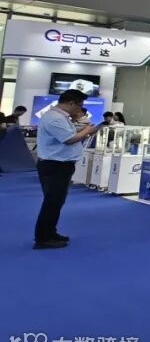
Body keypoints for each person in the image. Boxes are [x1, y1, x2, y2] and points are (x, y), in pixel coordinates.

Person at [33, 90, 97, 250]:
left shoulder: (60, 117)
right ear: (71, 103)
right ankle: (43, 238)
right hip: (55, 165)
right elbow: (69, 139)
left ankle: (50, 232)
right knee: (52, 202)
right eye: (79, 106)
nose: (80, 110)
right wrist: (87, 131)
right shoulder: (55, 118)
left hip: (59, 164)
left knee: (56, 201)